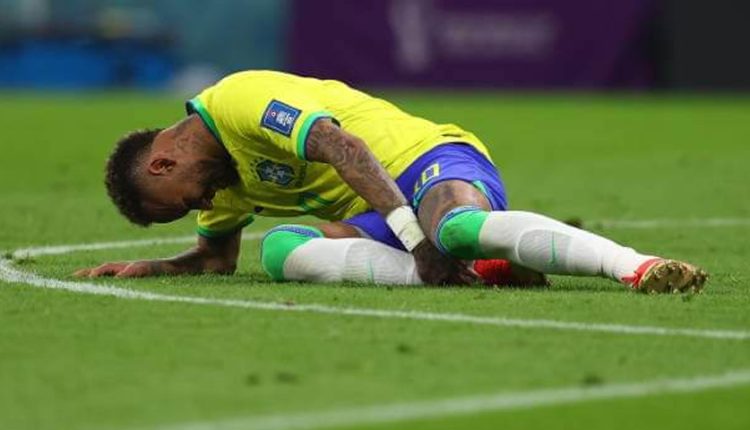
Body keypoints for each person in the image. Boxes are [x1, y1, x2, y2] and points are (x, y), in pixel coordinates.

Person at [74, 70, 707, 293]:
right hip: (387, 218)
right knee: (281, 249)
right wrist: (153, 266)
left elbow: (343, 148)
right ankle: (478, 269)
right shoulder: (222, 183)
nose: (204, 206)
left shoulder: (238, 100)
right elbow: (216, 260)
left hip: (426, 162)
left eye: (184, 203)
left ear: (163, 163)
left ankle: (636, 266)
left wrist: (419, 240)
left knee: (451, 228)